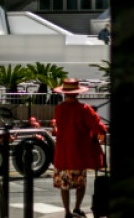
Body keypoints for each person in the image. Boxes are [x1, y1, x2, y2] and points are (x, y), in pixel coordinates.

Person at [52, 78, 107, 218]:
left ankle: (67, 212)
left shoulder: (59, 109)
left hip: (62, 153)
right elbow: (98, 126)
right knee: (80, 183)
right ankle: (77, 208)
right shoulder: (84, 109)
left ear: (64, 93)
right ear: (77, 94)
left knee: (64, 185)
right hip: (78, 153)